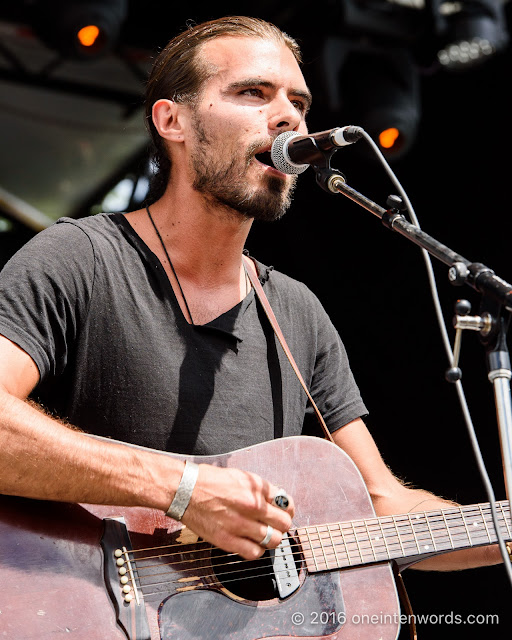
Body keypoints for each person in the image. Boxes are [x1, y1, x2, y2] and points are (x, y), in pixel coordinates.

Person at [0, 15, 503, 571]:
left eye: (299, 103)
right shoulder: (79, 258)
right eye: (253, 93)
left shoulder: (296, 312)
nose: (289, 116)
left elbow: (382, 505)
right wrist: (184, 487)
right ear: (174, 121)